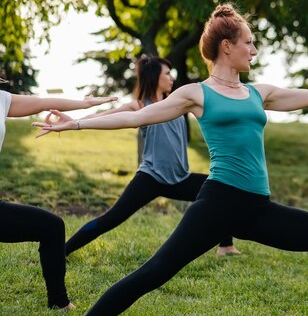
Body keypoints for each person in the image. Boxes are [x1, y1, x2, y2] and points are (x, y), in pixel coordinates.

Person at [34, 3, 308, 316]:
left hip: (256, 207)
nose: (254, 51)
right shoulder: (196, 93)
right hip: (218, 203)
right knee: (153, 273)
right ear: (227, 47)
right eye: (249, 43)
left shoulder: (259, 93)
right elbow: (137, 117)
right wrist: (77, 123)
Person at [63, 56, 240, 258]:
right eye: (167, 73)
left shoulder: (177, 104)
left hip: (181, 177)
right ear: (155, 77)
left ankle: (226, 246)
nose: (171, 78)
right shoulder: (140, 106)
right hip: (150, 177)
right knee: (111, 219)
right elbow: (107, 115)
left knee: (222, 193)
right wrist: (75, 121)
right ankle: (61, 252)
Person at [0, 79, 116, 310]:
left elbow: (45, 102)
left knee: (52, 227)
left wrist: (85, 103)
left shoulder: (2, 99)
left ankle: (59, 303)